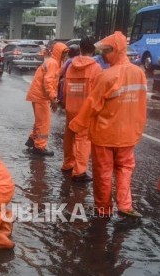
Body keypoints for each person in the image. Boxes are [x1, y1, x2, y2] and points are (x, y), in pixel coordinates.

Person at [69, 31, 147, 218]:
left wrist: (75, 126)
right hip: (129, 134)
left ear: (116, 50)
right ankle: (125, 205)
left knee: (103, 172)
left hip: (105, 135)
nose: (103, 55)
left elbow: (91, 106)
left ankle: (104, 209)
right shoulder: (139, 73)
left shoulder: (107, 76)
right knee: (125, 169)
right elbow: (142, 105)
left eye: (105, 51)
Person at [61, 36, 102, 183]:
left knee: (69, 136)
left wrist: (64, 102)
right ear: (94, 50)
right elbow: (98, 92)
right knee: (83, 140)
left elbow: (65, 87)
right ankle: (79, 171)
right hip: (85, 109)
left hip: (70, 107)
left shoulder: (71, 65)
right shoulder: (96, 68)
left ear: (80, 49)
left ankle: (67, 164)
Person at [25, 42, 69, 156]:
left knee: (40, 121)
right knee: (44, 122)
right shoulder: (53, 63)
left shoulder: (52, 62)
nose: (65, 57)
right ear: (60, 53)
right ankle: (40, 146)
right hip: (41, 96)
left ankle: (32, 140)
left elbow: (50, 82)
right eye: (64, 54)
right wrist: (53, 98)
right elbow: (48, 82)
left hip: (38, 95)